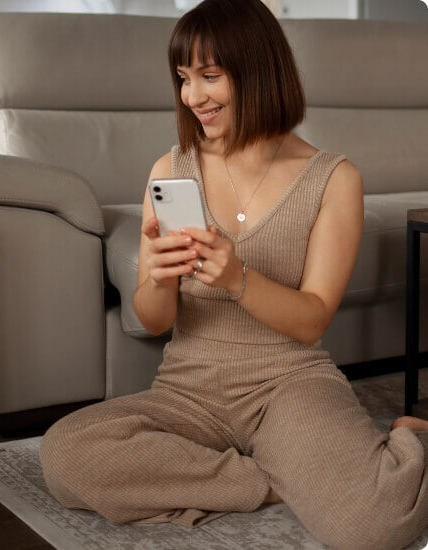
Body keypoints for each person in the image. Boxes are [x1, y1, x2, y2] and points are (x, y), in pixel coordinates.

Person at [39, 1, 428, 548]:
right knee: (66, 454)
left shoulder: (333, 178)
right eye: (183, 78)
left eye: (210, 76)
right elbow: (155, 321)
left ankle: (411, 438)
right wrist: (158, 279)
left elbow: (313, 319)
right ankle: (271, 482)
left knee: (376, 526)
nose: (192, 96)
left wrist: (237, 277)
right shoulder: (171, 170)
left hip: (289, 383)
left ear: (258, 71)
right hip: (189, 390)